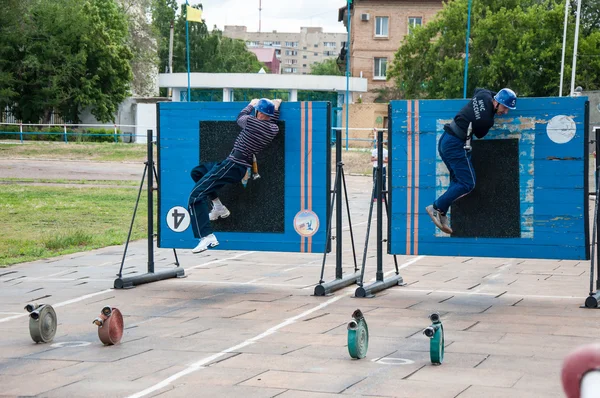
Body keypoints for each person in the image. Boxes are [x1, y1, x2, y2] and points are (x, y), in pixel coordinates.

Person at [188, 97, 282, 253]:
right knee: (197, 172)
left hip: (233, 165)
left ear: (258, 112)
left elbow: (240, 117)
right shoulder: (273, 129)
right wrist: (276, 106)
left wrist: (250, 104)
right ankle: (218, 207)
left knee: (195, 196)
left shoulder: (253, 123)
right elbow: (273, 119)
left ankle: (206, 236)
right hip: (234, 165)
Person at [425, 88, 517, 234]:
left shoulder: (483, 95)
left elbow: (477, 91)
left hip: (446, 140)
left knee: (458, 179)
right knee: (468, 183)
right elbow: (480, 134)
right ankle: (436, 207)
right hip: (455, 144)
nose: (505, 112)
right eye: (505, 107)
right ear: (497, 102)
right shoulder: (487, 120)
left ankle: (441, 212)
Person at [371, 129, 388, 201]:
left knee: (383, 181)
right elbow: (372, 159)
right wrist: (377, 159)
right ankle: (375, 197)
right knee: (375, 182)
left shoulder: (385, 151)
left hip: (383, 167)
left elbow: (387, 160)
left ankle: (383, 197)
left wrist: (381, 160)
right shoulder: (374, 151)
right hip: (375, 167)